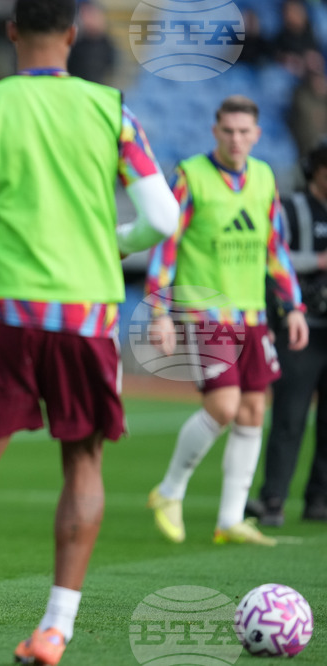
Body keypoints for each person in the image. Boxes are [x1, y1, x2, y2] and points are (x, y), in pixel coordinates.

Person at [0, 0, 179, 663]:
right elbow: (163, 217)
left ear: (10, 34)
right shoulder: (112, 111)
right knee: (83, 464)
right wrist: (113, 242)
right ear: (72, 33)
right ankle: (54, 630)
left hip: (11, 312)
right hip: (87, 315)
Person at [145, 96, 309, 552]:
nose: (236, 139)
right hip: (208, 312)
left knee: (254, 412)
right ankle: (170, 491)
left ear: (256, 135)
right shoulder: (190, 176)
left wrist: (292, 305)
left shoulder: (264, 177)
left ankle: (230, 519)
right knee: (224, 407)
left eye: (245, 132)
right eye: (228, 131)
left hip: (254, 313)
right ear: (215, 131)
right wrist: (161, 312)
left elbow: (274, 246)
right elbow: (167, 243)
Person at [247, 143, 327, 526]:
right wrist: (317, 261)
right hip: (302, 328)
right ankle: (273, 498)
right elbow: (270, 253)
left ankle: (319, 500)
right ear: (315, 169)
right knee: (289, 416)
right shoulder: (292, 208)